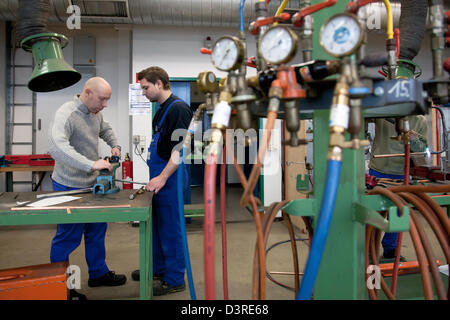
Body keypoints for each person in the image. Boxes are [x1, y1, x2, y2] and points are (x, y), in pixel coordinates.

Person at [48, 77, 127, 300]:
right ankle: (62, 288)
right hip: (68, 185)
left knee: (96, 231)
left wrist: (115, 146)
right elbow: (56, 146)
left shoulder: (95, 113)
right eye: (102, 99)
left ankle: (98, 274)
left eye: (107, 100)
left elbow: (105, 128)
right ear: (87, 92)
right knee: (67, 238)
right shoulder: (67, 113)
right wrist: (91, 164)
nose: (105, 105)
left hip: (91, 185)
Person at [131, 66, 193, 296]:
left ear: (159, 83)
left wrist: (162, 177)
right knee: (157, 226)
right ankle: (158, 269)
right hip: (158, 178)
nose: (144, 92)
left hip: (170, 178)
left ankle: (175, 278)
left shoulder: (178, 109)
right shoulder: (161, 110)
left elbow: (178, 152)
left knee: (171, 229)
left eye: (146, 87)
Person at [368, 115, 428, 259]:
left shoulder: (420, 120)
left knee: (397, 212)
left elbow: (422, 148)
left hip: (402, 171)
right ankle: (370, 245)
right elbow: (364, 115)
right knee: (375, 211)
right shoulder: (383, 114)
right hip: (379, 169)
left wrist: (411, 137)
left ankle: (391, 248)